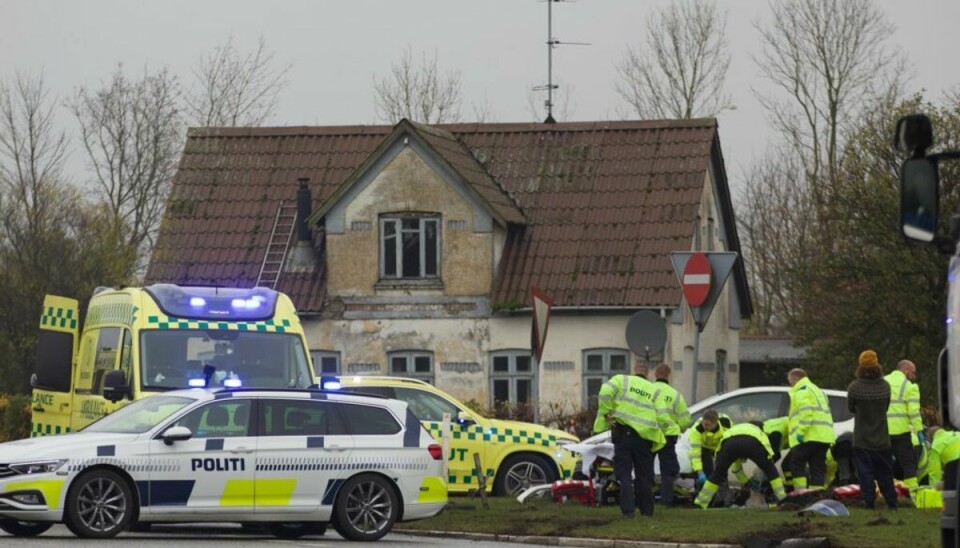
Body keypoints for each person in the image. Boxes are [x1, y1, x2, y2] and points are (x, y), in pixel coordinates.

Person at [593, 362, 666, 518]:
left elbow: (605, 391)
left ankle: (628, 511)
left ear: (634, 371)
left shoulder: (622, 380)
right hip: (644, 439)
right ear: (647, 374)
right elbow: (662, 416)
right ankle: (647, 511)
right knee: (644, 475)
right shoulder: (654, 390)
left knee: (624, 475)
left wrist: (607, 412)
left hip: (622, 435)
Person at [847, 349, 898, 510]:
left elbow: (851, 408)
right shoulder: (885, 387)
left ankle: (869, 501)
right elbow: (886, 408)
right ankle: (892, 501)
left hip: (862, 439)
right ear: (878, 365)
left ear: (860, 367)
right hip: (882, 439)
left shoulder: (855, 387)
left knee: (865, 473)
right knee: (885, 472)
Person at [694, 421, 788, 509]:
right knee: (771, 471)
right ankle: (783, 499)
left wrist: (746, 482)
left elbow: (736, 467)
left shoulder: (733, 429)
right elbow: (768, 450)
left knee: (716, 475)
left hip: (730, 444)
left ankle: (700, 503)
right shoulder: (759, 432)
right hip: (752, 443)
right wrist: (769, 462)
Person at [786, 368, 836, 490]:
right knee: (817, 468)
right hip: (823, 437)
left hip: (809, 436)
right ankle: (816, 496)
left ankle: (801, 494)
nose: (790, 384)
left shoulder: (802, 392)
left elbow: (806, 413)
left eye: (790, 381)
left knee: (796, 463)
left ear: (796, 379)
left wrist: (801, 432)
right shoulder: (818, 391)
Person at [651, 363, 691, 506]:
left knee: (645, 467)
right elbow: (685, 420)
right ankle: (666, 501)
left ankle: (644, 500)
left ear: (655, 375)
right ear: (669, 375)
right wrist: (677, 428)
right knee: (667, 472)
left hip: (649, 435)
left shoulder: (647, 391)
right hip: (668, 436)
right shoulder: (675, 395)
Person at [884, 359, 923, 495]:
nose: (914, 376)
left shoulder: (882, 382)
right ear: (906, 371)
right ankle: (912, 493)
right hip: (901, 433)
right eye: (913, 373)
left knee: (884, 464)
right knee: (908, 464)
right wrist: (919, 431)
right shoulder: (910, 387)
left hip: (882, 432)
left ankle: (884, 493)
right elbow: (914, 412)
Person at [689, 409, 732, 490]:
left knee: (721, 470)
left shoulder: (725, 424)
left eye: (708, 425)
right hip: (704, 447)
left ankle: (723, 492)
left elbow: (729, 444)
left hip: (720, 446)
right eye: (704, 423)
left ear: (715, 423)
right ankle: (705, 492)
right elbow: (695, 454)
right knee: (707, 470)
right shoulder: (697, 430)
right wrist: (700, 472)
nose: (705, 426)